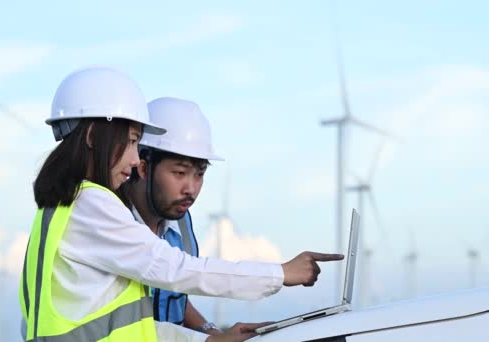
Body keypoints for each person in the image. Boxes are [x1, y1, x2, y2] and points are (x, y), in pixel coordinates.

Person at [20, 66, 344, 342]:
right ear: (92, 136)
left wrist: (207, 337)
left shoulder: (63, 208)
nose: (135, 160)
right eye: (132, 141)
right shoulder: (92, 205)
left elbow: (134, 328)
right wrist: (280, 273)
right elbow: (175, 269)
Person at [122, 97, 249, 335]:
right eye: (179, 172)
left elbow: (174, 294)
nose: (190, 188)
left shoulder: (180, 219)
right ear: (143, 166)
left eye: (199, 174)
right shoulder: (109, 220)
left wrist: (210, 331)